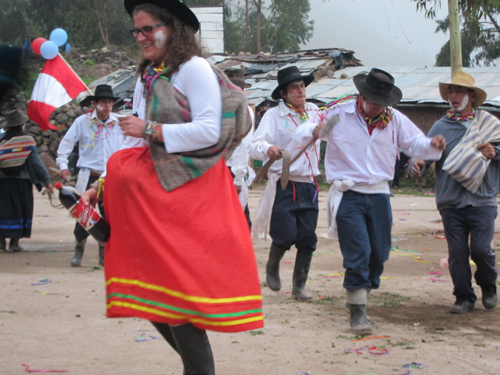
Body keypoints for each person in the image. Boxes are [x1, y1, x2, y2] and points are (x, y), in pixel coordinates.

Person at [80, 1, 263, 374]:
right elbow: (133, 144)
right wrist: (100, 185)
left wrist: (150, 129)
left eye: (149, 29)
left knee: (179, 299)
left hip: (190, 193)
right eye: (137, 30)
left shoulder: (194, 70)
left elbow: (209, 130)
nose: (142, 37)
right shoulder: (149, 75)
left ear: (173, 28)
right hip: (156, 198)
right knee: (155, 294)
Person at [298, 68, 446, 334]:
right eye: (372, 100)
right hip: (349, 194)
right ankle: (357, 310)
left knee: (378, 253)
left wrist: (432, 145)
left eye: (382, 102)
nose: (377, 106)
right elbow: (311, 132)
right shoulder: (339, 115)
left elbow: (414, 144)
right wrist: (315, 129)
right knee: (359, 252)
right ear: (361, 94)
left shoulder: (395, 120)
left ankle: (363, 290)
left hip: (379, 194)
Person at [410, 70, 499, 314]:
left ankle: (488, 284)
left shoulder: (488, 124)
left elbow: (498, 149)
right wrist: (417, 165)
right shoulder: (441, 126)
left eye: (459, 91)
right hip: (450, 201)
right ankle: (463, 297)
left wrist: (495, 152)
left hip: (482, 200)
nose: (454, 95)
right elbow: (424, 156)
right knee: (457, 253)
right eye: (450, 91)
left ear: (471, 95)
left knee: (481, 249)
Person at [248, 66, 321, 302]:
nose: (301, 91)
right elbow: (254, 144)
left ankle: (299, 285)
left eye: (302, 86)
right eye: (294, 88)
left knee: (308, 237)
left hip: (309, 184)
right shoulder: (273, 116)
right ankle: (273, 264)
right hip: (284, 182)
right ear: (283, 93)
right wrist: (268, 149)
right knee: (286, 233)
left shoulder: (314, 111)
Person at [56, 84, 123, 267]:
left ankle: (105, 252)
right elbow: (66, 145)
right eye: (103, 102)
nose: (107, 105)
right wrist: (63, 166)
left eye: (109, 102)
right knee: (84, 215)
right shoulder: (82, 122)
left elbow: (129, 148)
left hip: (111, 177)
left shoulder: (120, 123)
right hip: (89, 176)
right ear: (94, 103)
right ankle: (79, 248)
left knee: (110, 216)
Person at [0, 107, 53, 252]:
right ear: (21, 125)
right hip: (21, 183)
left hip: (3, 182)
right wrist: (47, 182)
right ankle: (14, 243)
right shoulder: (27, 141)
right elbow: (36, 164)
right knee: (20, 211)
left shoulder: (1, 141)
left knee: (3, 211)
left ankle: (1, 244)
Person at [225, 68, 255, 229]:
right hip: (222, 168)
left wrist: (238, 177)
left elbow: (243, 145)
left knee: (238, 219)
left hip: (232, 168)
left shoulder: (244, 111)